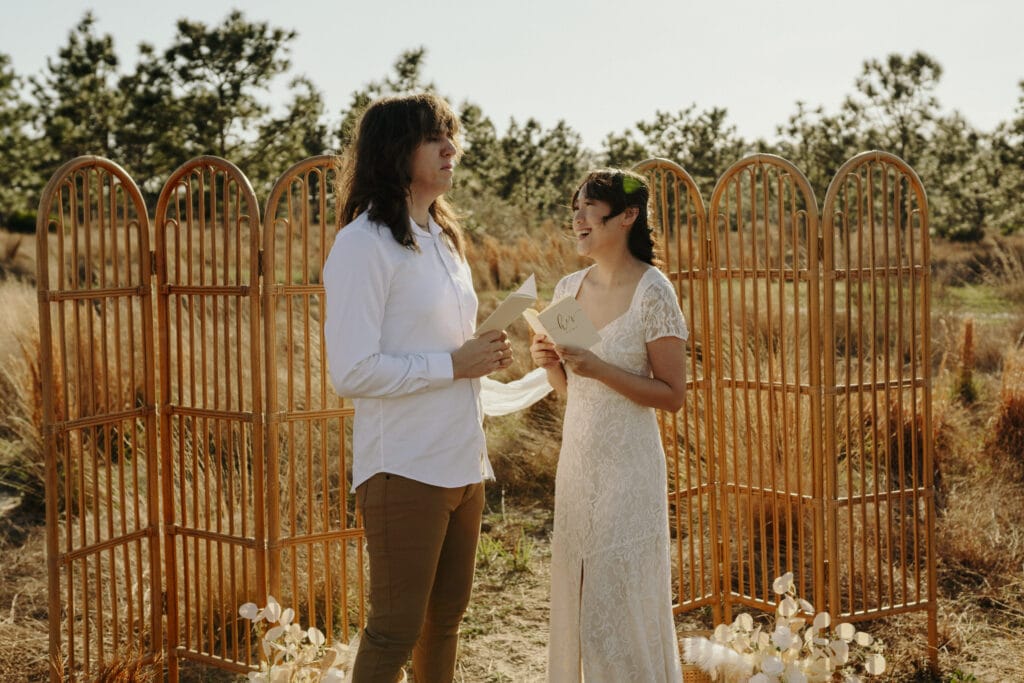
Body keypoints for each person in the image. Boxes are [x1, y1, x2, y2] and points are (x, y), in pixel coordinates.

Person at [322, 92, 513, 683]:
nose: (452, 148)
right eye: (436, 138)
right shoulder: (363, 244)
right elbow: (351, 371)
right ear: (396, 151)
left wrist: (495, 362)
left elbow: (450, 354)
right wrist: (454, 365)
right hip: (403, 468)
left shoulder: (444, 239)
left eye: (451, 135)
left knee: (446, 623)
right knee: (394, 631)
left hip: (463, 464)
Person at [530, 169, 689, 682]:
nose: (576, 217)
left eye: (588, 207)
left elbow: (673, 396)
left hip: (630, 469)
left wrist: (598, 366)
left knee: (617, 599)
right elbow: (574, 394)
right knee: (580, 595)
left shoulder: (654, 291)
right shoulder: (568, 288)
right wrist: (549, 363)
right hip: (577, 465)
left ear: (626, 216)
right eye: (574, 206)